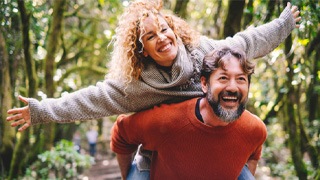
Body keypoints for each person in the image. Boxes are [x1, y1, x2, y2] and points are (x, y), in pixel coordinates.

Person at [6, 0, 300, 179]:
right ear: (142, 50)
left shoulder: (202, 53)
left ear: (174, 29)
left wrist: (284, 24)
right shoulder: (134, 86)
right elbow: (88, 99)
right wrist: (40, 110)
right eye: (150, 36)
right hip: (158, 154)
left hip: (216, 144)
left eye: (164, 29)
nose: (162, 38)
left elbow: (246, 42)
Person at [111, 47, 266, 179]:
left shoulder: (254, 130)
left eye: (241, 79)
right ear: (204, 84)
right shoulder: (167, 122)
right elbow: (122, 133)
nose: (233, 87)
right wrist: (128, 176)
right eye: (223, 78)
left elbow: (253, 155)